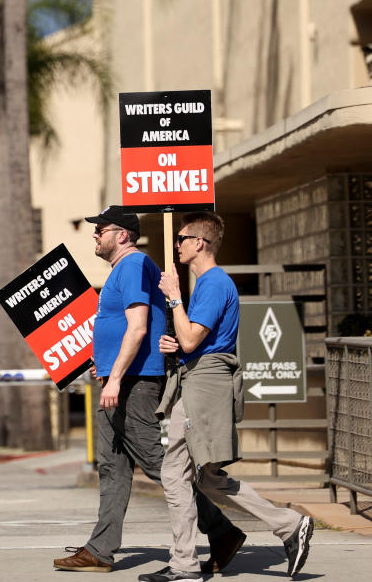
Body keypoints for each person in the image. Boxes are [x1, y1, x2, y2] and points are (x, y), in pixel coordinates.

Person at [55, 206, 243, 574]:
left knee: (161, 464)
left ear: (121, 235)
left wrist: (115, 378)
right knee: (112, 466)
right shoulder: (125, 270)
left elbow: (138, 327)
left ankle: (222, 531)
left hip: (133, 383)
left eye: (101, 230)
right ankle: (100, 549)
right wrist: (107, 364)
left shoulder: (133, 266)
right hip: (120, 378)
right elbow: (126, 327)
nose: (95, 235)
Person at [142, 212, 314, 582]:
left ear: (199, 243)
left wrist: (174, 299)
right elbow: (190, 342)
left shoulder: (215, 284)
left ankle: (184, 564)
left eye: (182, 239)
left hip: (205, 384)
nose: (177, 244)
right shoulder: (209, 284)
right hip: (199, 377)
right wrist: (175, 346)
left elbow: (192, 339)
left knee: (175, 473)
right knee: (205, 478)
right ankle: (290, 524)